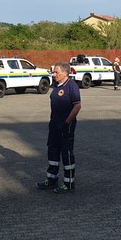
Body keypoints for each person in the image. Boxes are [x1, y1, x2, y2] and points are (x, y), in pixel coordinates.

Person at [36, 62, 82, 194]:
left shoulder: (71, 86)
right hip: (54, 124)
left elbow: (77, 106)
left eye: (56, 72)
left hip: (65, 125)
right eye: (54, 72)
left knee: (66, 152)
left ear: (65, 73)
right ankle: (51, 179)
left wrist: (67, 122)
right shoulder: (56, 86)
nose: (54, 74)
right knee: (53, 150)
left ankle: (69, 183)